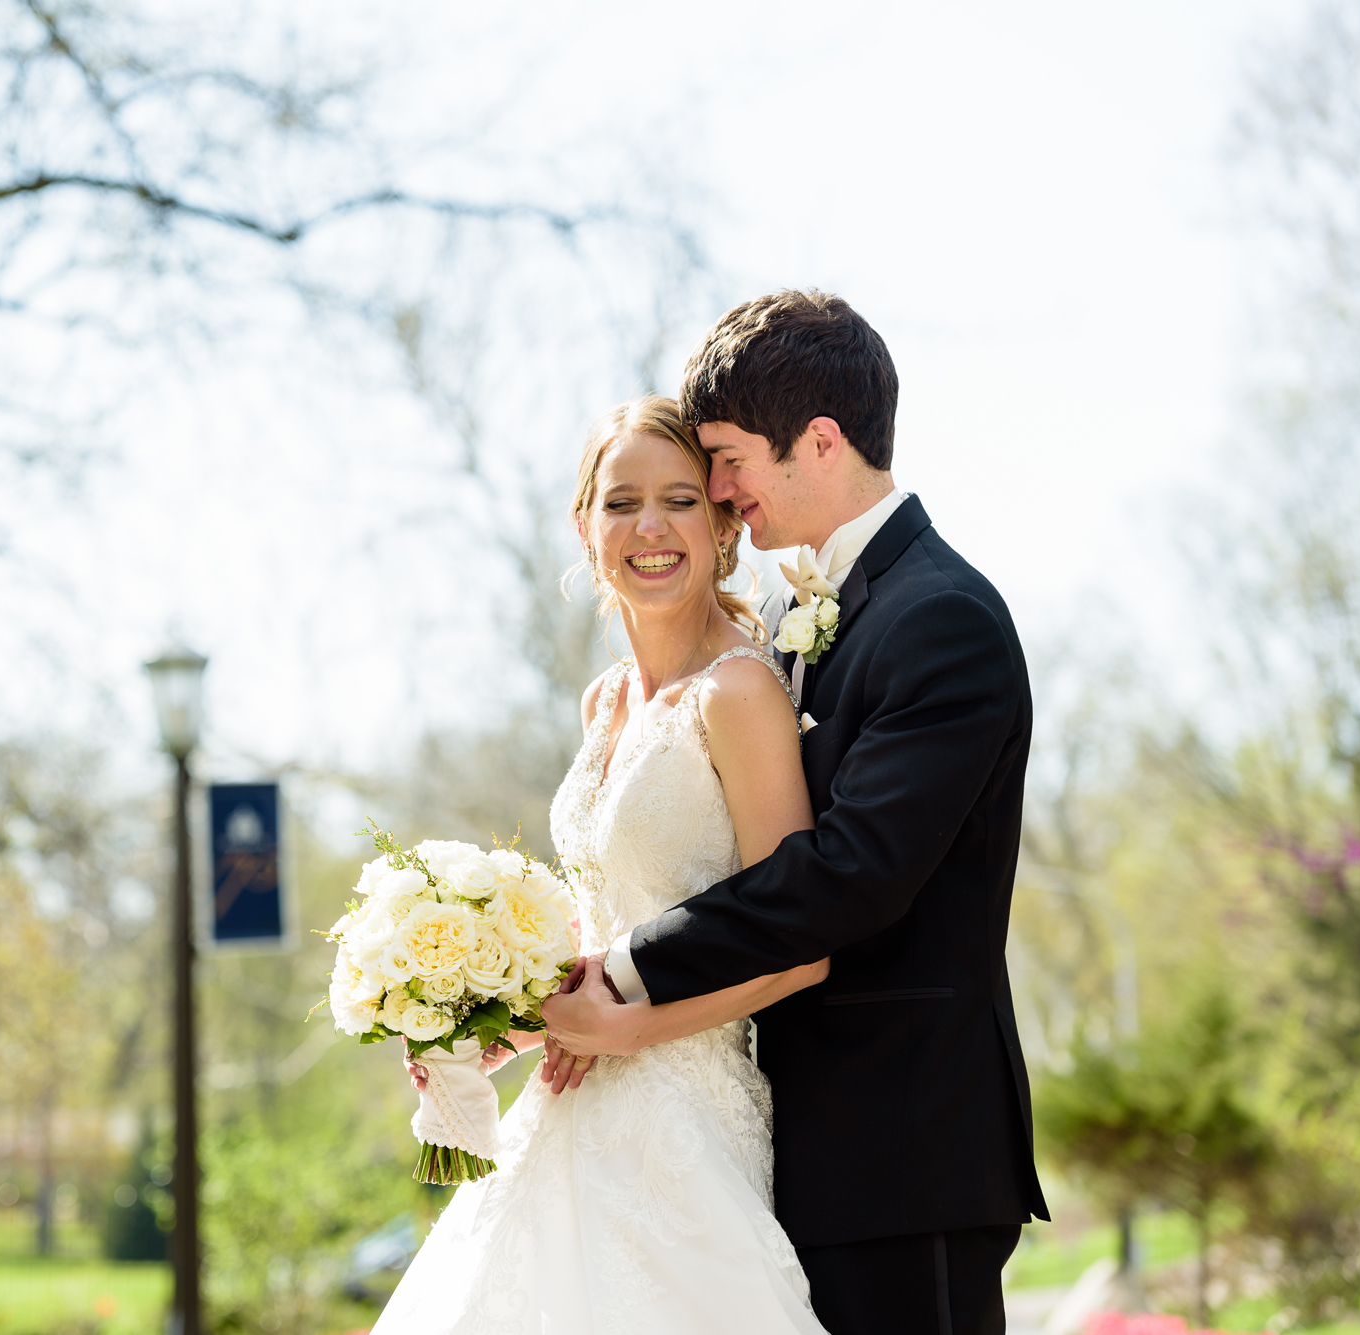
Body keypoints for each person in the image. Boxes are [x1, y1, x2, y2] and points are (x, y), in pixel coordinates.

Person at [543, 290, 1049, 1335]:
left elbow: (850, 873)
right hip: (774, 1140)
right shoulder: (777, 619)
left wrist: (627, 977)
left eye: (724, 461)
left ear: (816, 442)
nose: (718, 494)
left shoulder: (940, 618)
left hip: (904, 1147)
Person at [373, 395, 834, 1335]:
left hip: (688, 1121)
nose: (651, 527)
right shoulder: (602, 703)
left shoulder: (741, 692)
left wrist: (632, 1032)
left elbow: (803, 949)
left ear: (720, 525)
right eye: (622, 503)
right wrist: (503, 1020)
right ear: (585, 529)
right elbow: (609, 930)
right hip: (568, 1109)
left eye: (679, 499)